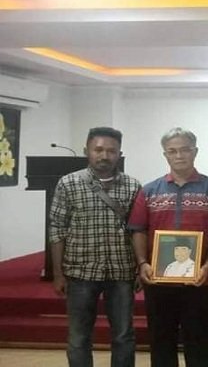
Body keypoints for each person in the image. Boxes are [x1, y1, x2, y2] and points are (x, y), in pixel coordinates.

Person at [128, 127, 208, 367]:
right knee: (161, 339)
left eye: (185, 149)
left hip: (200, 280)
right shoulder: (149, 191)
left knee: (200, 339)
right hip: (158, 279)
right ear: (165, 155)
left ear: (195, 151)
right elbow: (138, 229)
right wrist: (143, 263)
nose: (179, 155)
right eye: (172, 151)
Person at [49, 126, 141, 367]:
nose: (104, 155)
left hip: (121, 272)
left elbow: (140, 231)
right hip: (80, 272)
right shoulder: (68, 184)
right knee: (79, 338)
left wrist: (141, 267)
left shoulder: (133, 186)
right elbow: (57, 229)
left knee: (123, 335)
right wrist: (58, 274)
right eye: (98, 149)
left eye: (111, 151)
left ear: (119, 154)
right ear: (86, 151)